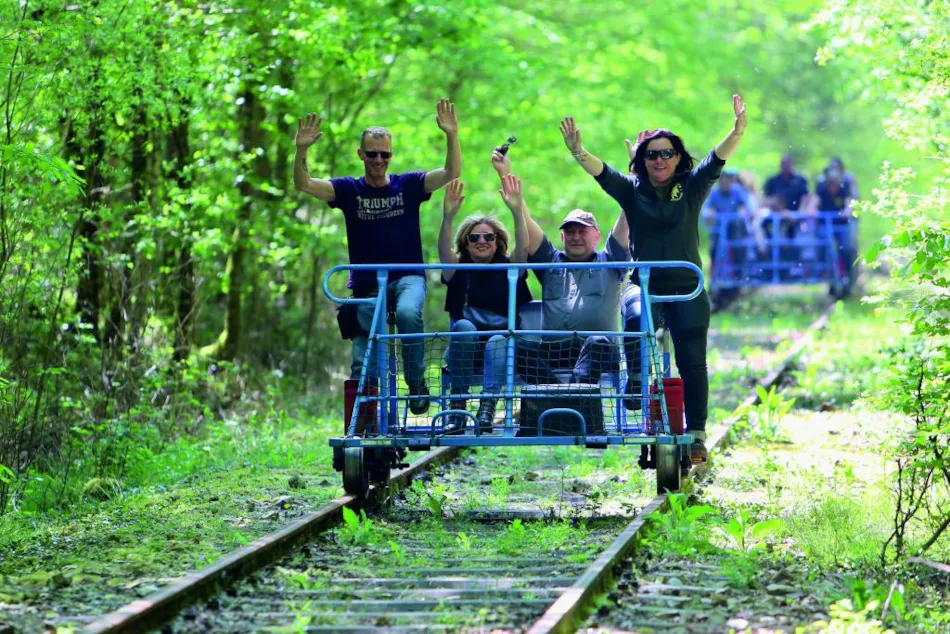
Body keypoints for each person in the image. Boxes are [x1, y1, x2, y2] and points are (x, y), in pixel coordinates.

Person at [560, 93, 748, 464]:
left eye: (665, 153)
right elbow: (603, 173)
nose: (659, 160)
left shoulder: (692, 187)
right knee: (634, 319)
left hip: (688, 289)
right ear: (642, 161)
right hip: (646, 288)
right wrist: (579, 152)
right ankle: (635, 381)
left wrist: (738, 130)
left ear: (677, 157)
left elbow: (717, 159)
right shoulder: (632, 191)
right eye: (651, 154)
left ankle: (695, 434)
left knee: (692, 360)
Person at [293, 99, 461, 415]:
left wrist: (451, 134)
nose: (378, 160)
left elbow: (452, 171)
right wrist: (301, 150)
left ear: (391, 156)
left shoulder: (408, 185)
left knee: (410, 314)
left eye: (385, 154)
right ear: (361, 155)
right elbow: (303, 184)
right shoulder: (348, 189)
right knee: (365, 353)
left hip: (407, 275)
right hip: (369, 284)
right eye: (372, 154)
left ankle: (416, 383)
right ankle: (368, 418)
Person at [490, 147, 631, 388]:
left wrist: (635, 172)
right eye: (570, 231)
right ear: (562, 237)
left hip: (600, 350)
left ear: (596, 236)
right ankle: (564, 398)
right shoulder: (549, 261)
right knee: (517, 347)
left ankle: (566, 399)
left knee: (598, 342)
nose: (576, 236)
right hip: (554, 351)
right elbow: (525, 219)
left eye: (582, 231)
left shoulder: (612, 260)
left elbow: (629, 208)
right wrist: (505, 172)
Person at [438, 175, 531, 433]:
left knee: (498, 340)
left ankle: (487, 407)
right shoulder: (457, 271)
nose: (481, 242)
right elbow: (443, 252)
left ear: (497, 241)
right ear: (465, 242)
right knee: (465, 327)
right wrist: (447, 217)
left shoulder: (509, 269)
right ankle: (457, 408)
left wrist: (516, 210)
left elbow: (523, 249)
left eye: (488, 237)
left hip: (502, 349)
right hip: (464, 350)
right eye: (474, 237)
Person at [701, 168, 752, 298]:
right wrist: (710, 215)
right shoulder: (715, 194)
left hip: (734, 230)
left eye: (727, 179)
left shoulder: (737, 191)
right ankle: (713, 283)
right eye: (721, 179)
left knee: (739, 252)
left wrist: (743, 212)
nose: (724, 182)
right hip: (719, 231)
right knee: (715, 252)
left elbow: (748, 207)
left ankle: (738, 283)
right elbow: (706, 211)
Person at [814, 165, 857, 296]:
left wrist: (846, 212)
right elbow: (814, 203)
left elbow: (849, 204)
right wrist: (813, 212)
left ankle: (847, 279)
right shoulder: (821, 190)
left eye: (835, 184)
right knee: (827, 249)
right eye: (830, 184)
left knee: (846, 249)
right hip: (826, 226)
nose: (832, 187)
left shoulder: (844, 190)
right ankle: (830, 279)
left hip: (841, 226)